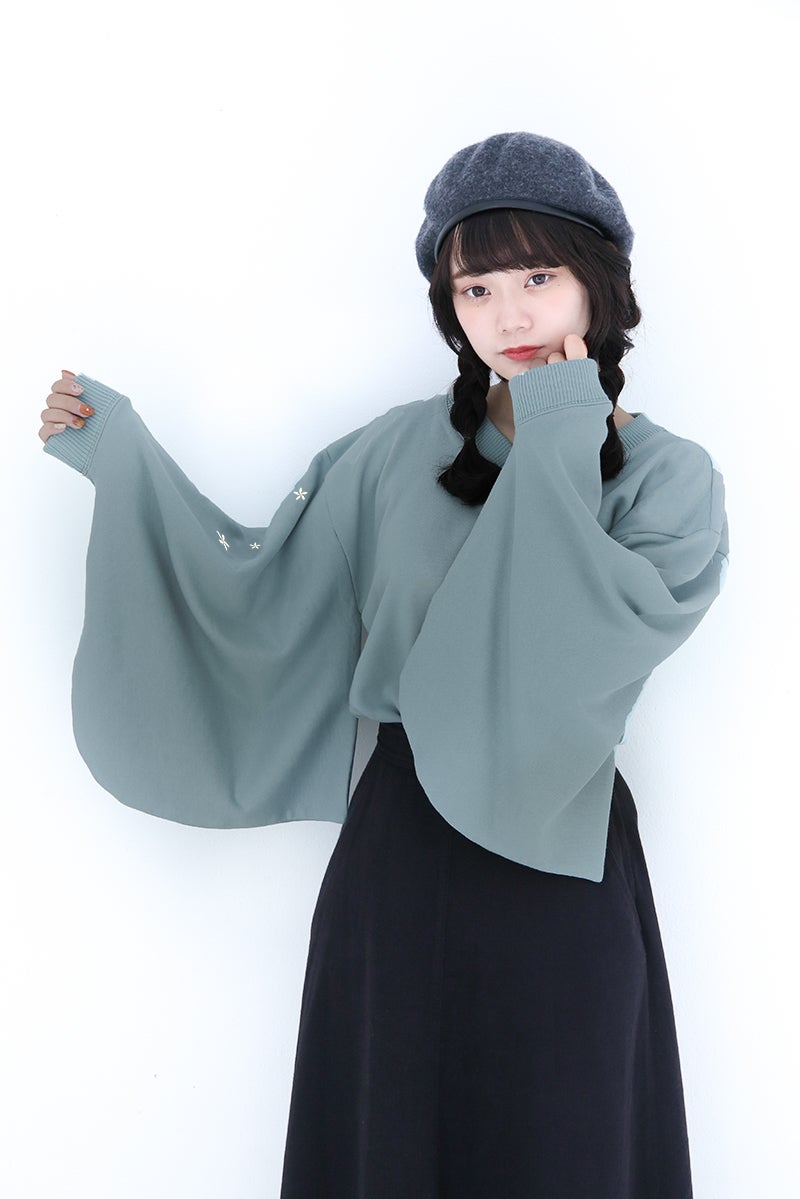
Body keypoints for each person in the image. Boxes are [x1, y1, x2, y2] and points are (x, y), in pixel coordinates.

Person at [39, 131, 729, 1198]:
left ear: (597, 281)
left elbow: (564, 644)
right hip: (403, 857)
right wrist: (123, 461)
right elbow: (259, 588)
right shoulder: (392, 455)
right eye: (475, 289)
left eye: (537, 278)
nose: (509, 316)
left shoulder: (667, 479)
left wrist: (558, 424)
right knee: (386, 1146)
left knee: (566, 1145)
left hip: (561, 856)